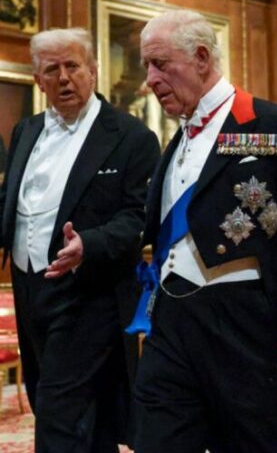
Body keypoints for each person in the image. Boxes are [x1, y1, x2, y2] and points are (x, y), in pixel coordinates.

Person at [132, 9, 277, 452]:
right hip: (173, 325)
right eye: (147, 66)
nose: (150, 79)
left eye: (160, 64)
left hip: (246, 325)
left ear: (202, 57)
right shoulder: (176, 144)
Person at [0, 28, 160, 452]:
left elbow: (139, 217)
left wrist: (89, 243)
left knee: (58, 408)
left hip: (90, 292)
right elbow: (10, 200)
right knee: (74, 408)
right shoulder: (27, 130)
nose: (64, 77)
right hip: (30, 288)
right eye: (52, 69)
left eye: (73, 66)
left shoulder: (131, 137)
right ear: (39, 80)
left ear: (93, 71)